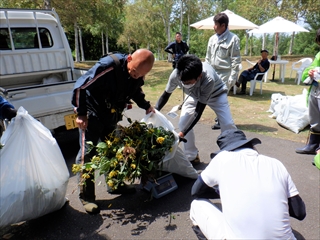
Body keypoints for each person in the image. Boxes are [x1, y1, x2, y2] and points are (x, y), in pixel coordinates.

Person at [71, 49, 155, 214]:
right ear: (129, 59)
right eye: (134, 71)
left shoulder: (136, 76)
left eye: (140, 75)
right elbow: (80, 86)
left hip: (111, 114)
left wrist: (146, 106)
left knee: (115, 149)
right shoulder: (109, 66)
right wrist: (81, 114)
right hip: (92, 114)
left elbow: (135, 90)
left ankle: (115, 185)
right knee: (88, 153)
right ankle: (86, 197)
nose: (136, 75)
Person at [190, 129, 306, 239]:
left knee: (197, 205)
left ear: (225, 150)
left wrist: (223, 192)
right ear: (252, 146)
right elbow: (299, 212)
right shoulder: (276, 164)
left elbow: (196, 191)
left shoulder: (222, 158)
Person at [155, 55, 236, 166]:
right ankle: (191, 156)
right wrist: (155, 111)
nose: (184, 84)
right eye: (182, 82)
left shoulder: (208, 78)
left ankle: (232, 154)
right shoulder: (176, 74)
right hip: (193, 95)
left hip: (217, 94)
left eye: (188, 83)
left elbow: (198, 112)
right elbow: (165, 95)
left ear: (199, 76)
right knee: (183, 122)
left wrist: (182, 134)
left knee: (227, 123)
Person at [205, 12, 241, 130]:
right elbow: (208, 57)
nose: (214, 27)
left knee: (221, 98)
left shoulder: (233, 39)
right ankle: (220, 118)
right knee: (211, 96)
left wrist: (233, 77)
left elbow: (236, 60)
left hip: (225, 73)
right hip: (212, 72)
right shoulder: (212, 39)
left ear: (223, 25)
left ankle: (223, 123)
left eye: (216, 24)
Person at [296, 28, 320, 156]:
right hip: (316, 90)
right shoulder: (318, 55)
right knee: (315, 118)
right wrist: (310, 72)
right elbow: (308, 70)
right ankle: (313, 144)